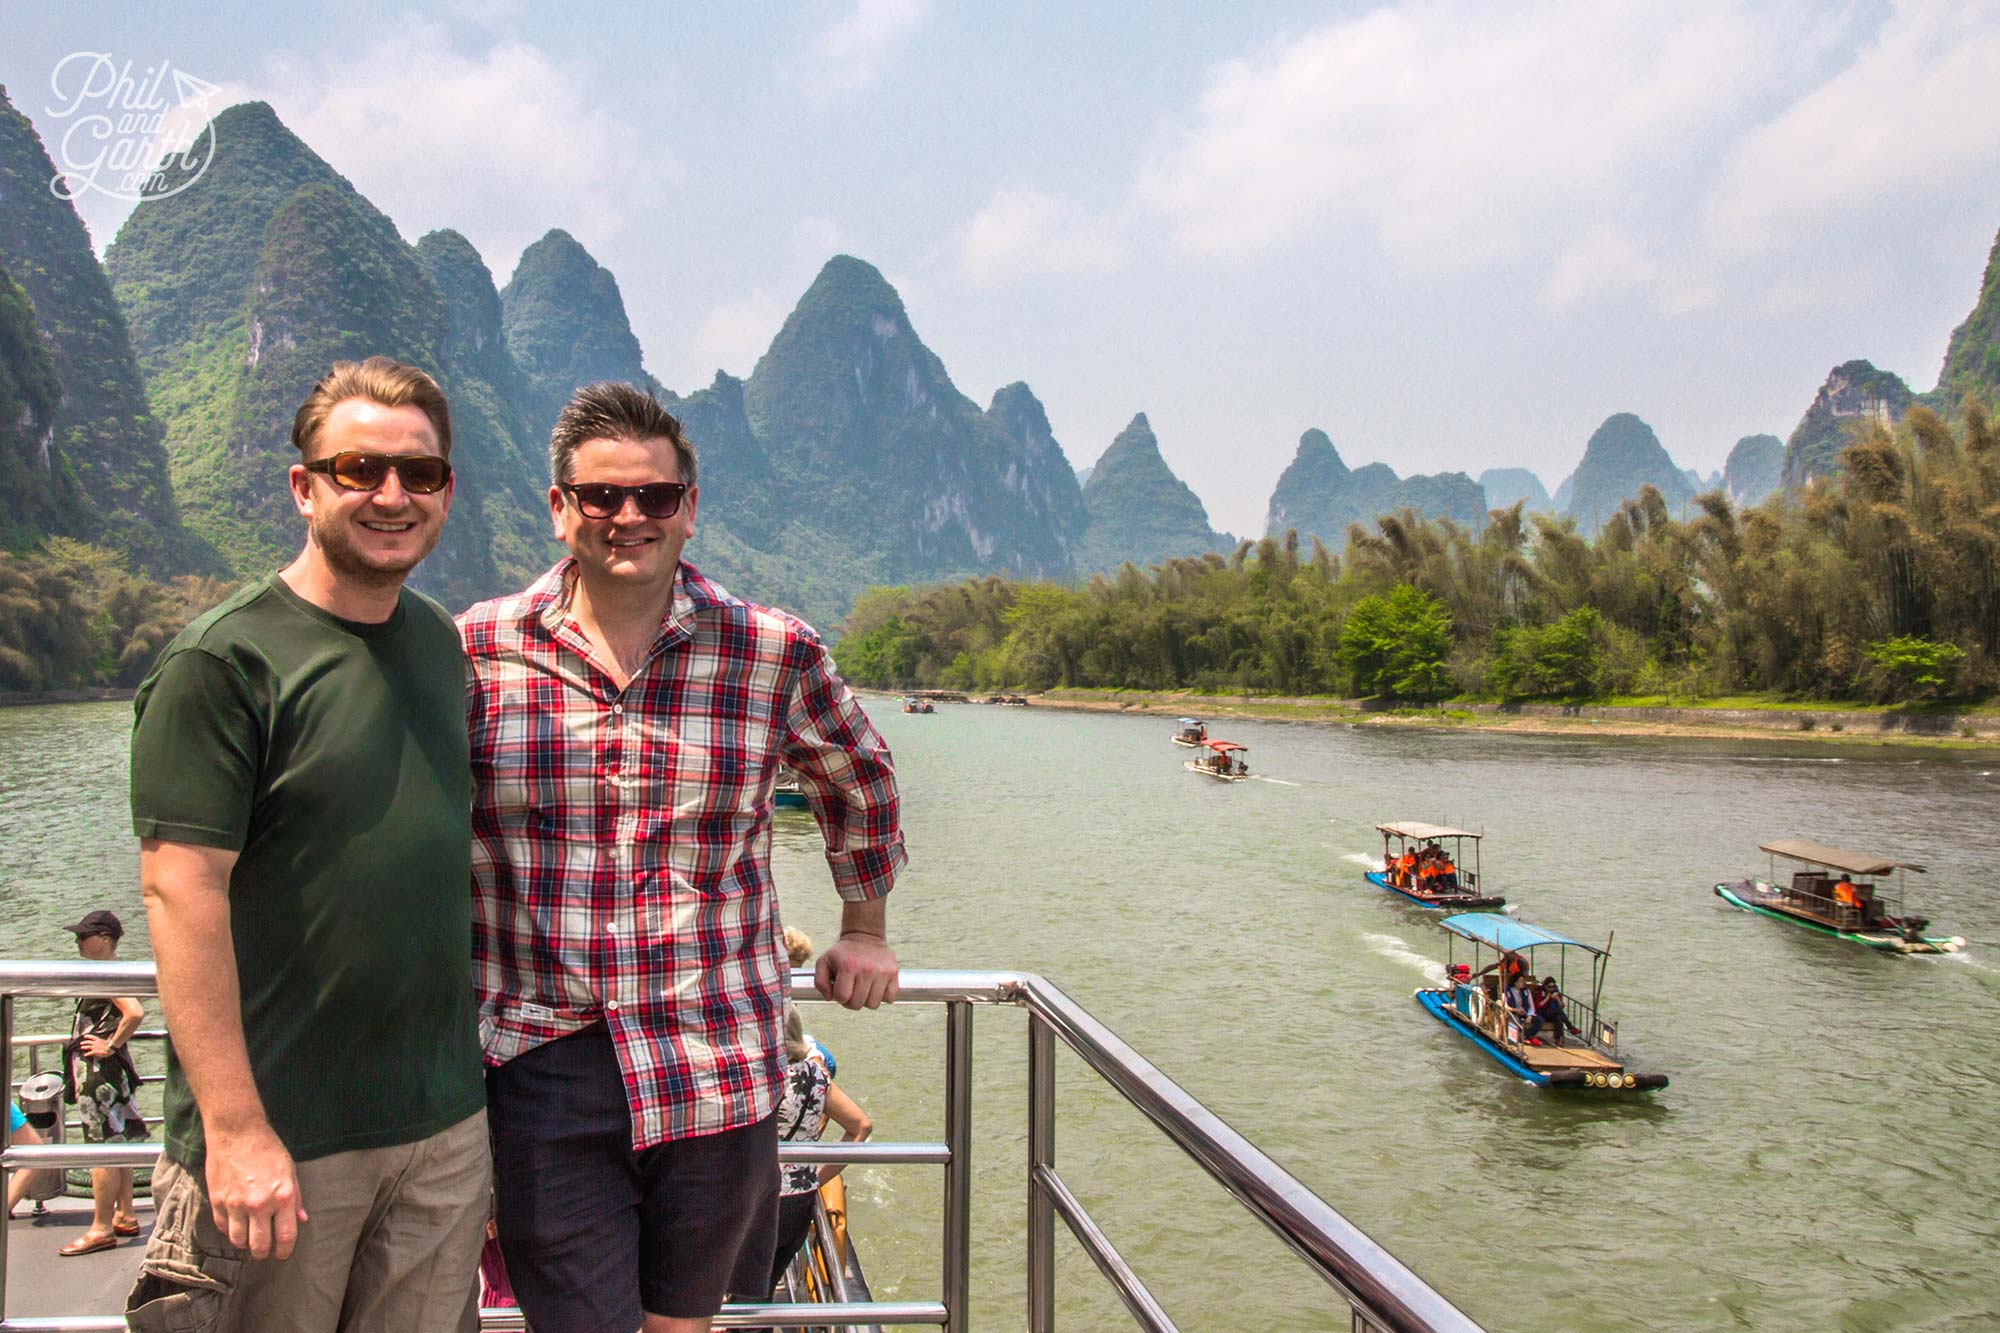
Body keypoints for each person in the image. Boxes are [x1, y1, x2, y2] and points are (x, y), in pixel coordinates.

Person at [462, 382, 905, 1333]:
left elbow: (857, 775)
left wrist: (863, 927)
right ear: (558, 508)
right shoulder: (478, 649)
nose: (630, 517)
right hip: (542, 1059)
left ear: (689, 509)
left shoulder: (770, 649)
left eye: (655, 497)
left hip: (717, 1055)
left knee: (681, 1327)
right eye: (601, 496)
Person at [124, 358, 490, 1332]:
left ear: (446, 489)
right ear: (304, 485)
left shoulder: (437, 645)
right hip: (281, 1139)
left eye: (420, 474)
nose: (392, 495)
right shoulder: (224, 660)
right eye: (359, 468)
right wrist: (236, 1131)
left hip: (440, 1130)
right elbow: (178, 892)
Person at [58, 910, 148, 1256]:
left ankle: (101, 1227)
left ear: (105, 940)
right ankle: (125, 1214)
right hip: (110, 1073)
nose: (78, 942)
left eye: (84, 936)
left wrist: (109, 1044)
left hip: (98, 1074)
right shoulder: (111, 970)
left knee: (101, 1149)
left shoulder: (107, 974)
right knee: (118, 1142)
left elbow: (134, 1011)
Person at [768, 1006, 871, 1293]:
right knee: (759, 1297)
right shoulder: (816, 1076)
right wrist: (815, 1179)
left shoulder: (753, 1076)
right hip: (796, 1205)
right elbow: (861, 1126)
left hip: (753, 1202)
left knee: (735, 1300)